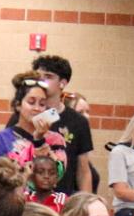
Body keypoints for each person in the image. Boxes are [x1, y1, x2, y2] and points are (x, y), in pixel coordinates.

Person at [30, 54, 95, 195]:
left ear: (63, 83)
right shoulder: (25, 116)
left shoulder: (78, 121)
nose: (41, 81)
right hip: (29, 198)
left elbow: (83, 170)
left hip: (62, 200)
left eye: (48, 76)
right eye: (38, 76)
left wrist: (86, 204)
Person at [0, 76, 66, 181]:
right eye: (31, 102)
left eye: (42, 104)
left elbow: (57, 176)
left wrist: (40, 140)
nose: (37, 108)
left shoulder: (56, 140)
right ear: (18, 105)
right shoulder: (2, 139)